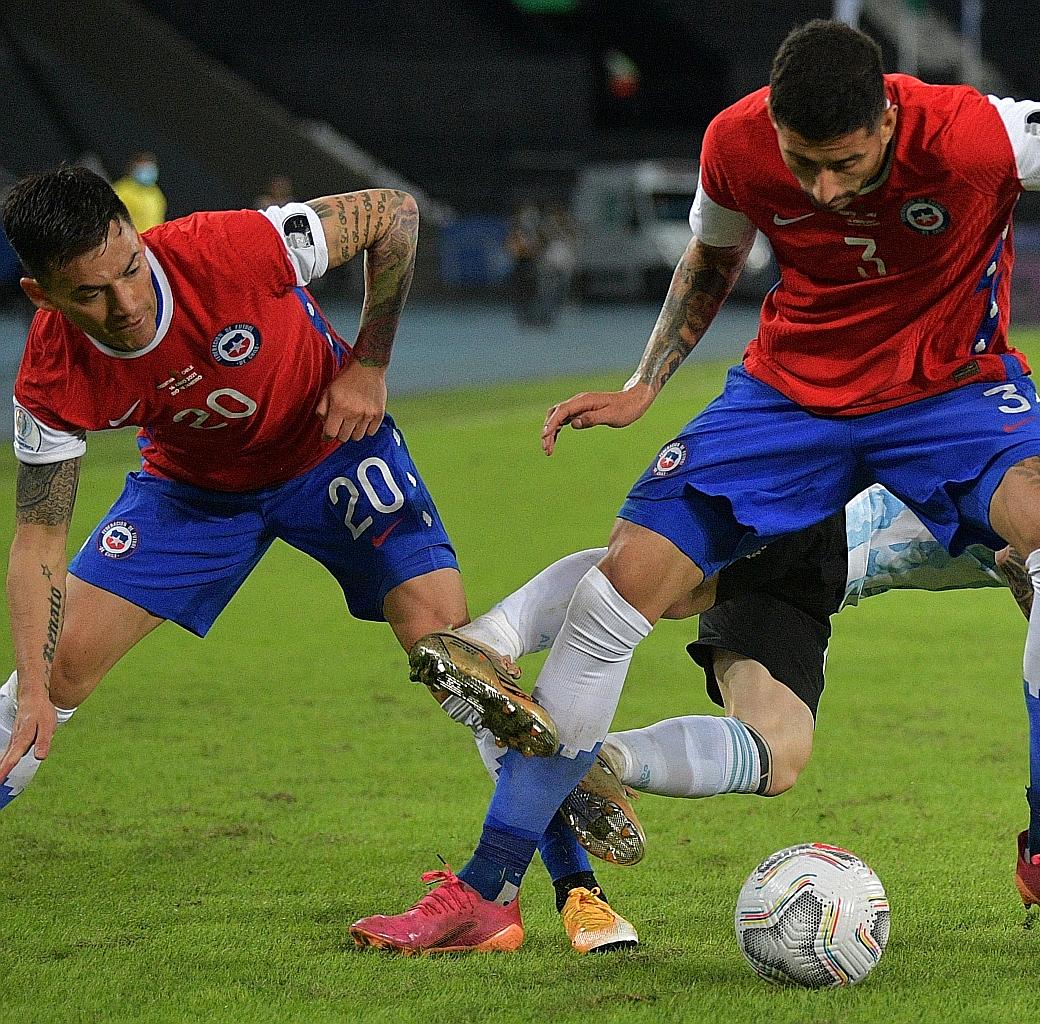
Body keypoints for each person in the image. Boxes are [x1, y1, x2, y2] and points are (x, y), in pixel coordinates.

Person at [352, 20, 1040, 955]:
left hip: (948, 390)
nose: (825, 189)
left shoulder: (976, 134)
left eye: (845, 162)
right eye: (803, 162)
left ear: (887, 120)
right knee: (627, 586)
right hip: (793, 394)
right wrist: (642, 385)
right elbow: (711, 256)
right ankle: (487, 885)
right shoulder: (735, 141)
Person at [0, 167, 634, 955]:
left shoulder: (232, 248)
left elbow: (396, 213)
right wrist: (30, 680)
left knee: (452, 656)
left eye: (129, 268)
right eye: (89, 294)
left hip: (331, 449)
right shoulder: (53, 373)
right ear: (42, 293)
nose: (125, 304)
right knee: (54, 673)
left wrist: (369, 361)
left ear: (136, 236)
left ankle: (569, 888)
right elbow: (37, 544)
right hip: (192, 493)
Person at [431, 407, 1040, 921]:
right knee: (653, 582)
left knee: (777, 754)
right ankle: (494, 640)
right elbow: (1025, 560)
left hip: (832, 582)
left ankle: (597, 762)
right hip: (827, 497)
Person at [111, 153, 167, 232]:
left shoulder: (156, 193)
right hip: (130, 241)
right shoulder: (121, 191)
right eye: (144, 168)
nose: (147, 171)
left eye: (150, 168)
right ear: (134, 168)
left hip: (150, 241)